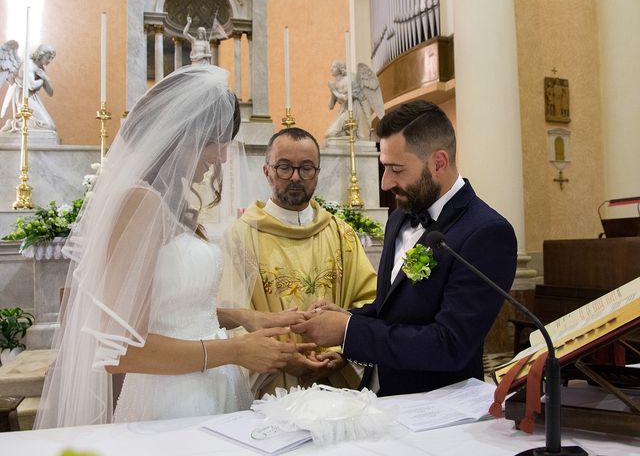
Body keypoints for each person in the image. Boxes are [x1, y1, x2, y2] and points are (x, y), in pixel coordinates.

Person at [35, 65, 304, 429]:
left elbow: (169, 310)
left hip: (207, 385)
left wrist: (243, 318)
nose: (223, 157)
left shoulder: (168, 203)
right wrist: (236, 350)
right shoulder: (137, 204)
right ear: (184, 135)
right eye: (216, 142)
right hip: (170, 403)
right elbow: (120, 350)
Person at [292, 100, 518, 397]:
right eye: (384, 167)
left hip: (438, 410)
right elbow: (393, 311)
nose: (386, 183)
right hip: (380, 396)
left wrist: (348, 332)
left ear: (439, 162)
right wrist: (348, 318)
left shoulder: (487, 233)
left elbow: (450, 345)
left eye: (396, 169)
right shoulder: (399, 217)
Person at [226, 127, 377, 394]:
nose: (295, 177)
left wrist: (343, 350)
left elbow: (369, 302)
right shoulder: (241, 237)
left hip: (338, 382)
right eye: (284, 167)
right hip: (271, 384)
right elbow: (231, 319)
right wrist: (281, 356)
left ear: (317, 174)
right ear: (267, 171)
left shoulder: (342, 234)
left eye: (306, 168)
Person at [1, 43, 56, 132]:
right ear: (41, 54)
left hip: (33, 98)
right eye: (48, 57)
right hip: (24, 97)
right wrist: (43, 79)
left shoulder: (40, 68)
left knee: (51, 126)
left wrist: (46, 79)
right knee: (48, 126)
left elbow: (50, 93)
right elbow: (31, 86)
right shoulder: (29, 65)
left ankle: (16, 123)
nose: (49, 61)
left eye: (51, 58)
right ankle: (13, 124)